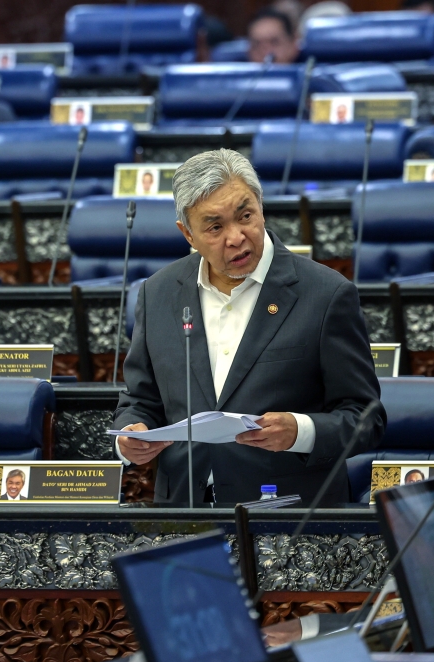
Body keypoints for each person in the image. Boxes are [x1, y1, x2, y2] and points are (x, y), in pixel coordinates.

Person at [113, 149, 386, 504]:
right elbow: (139, 400)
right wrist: (130, 435)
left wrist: (300, 431)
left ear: (260, 205)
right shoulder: (158, 293)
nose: (237, 237)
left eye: (245, 215)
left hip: (292, 527)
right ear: (188, 235)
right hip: (184, 513)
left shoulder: (326, 295)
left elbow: (367, 419)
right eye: (214, 227)